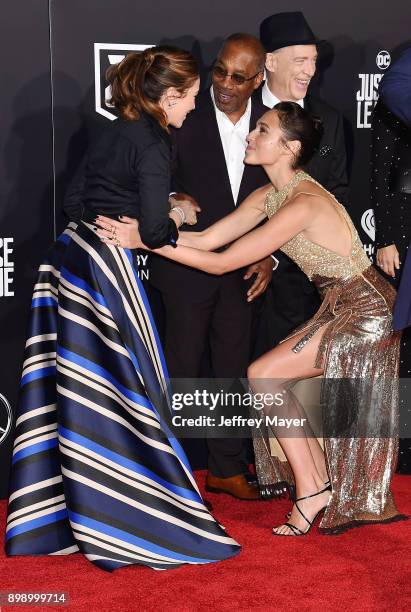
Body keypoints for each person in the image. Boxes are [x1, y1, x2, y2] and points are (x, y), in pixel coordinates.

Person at [97, 102, 406, 535]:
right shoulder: (270, 194)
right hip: (341, 304)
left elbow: (223, 264)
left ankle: (313, 488)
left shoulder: (304, 203)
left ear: (289, 147)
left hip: (365, 310)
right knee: (266, 377)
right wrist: (150, 232)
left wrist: (144, 243)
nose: (251, 135)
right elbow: (208, 238)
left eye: (263, 130)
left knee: (264, 376)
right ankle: (317, 484)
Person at [5, 46, 240, 571]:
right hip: (109, 271)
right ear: (169, 96)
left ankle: (58, 519)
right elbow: (154, 232)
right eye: (192, 99)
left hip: (68, 263)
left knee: (73, 390)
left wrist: (131, 214)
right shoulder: (155, 142)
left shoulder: (110, 130)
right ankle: (140, 516)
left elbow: (72, 205)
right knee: (134, 391)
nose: (194, 110)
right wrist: (175, 212)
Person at [148, 33, 270, 500]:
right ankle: (168, 476)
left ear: (258, 80)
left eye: (238, 77)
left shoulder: (271, 126)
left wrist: (269, 254)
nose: (224, 84)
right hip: (185, 270)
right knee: (180, 371)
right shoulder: (184, 116)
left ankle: (225, 468)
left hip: (243, 273)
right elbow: (150, 177)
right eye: (219, 71)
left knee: (231, 370)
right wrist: (172, 199)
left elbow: (285, 200)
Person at [254, 11, 349, 359]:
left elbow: (338, 190)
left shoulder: (331, 119)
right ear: (270, 61)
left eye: (313, 60)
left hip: (306, 281)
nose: (310, 69)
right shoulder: (240, 115)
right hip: (242, 277)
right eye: (300, 60)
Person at [371, 48, 411, 474]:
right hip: (403, 231)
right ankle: (399, 445)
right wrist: (385, 237)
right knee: (401, 343)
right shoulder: (397, 96)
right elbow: (381, 169)